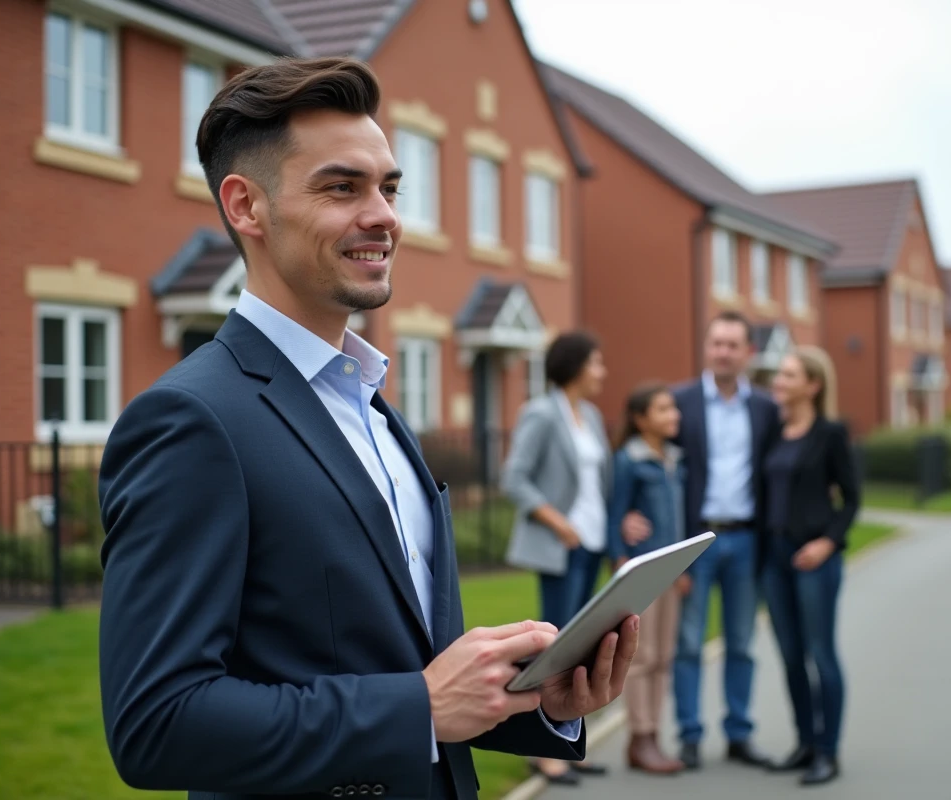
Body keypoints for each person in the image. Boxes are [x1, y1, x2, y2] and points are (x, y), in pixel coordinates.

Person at [96, 56, 638, 800]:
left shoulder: (374, 406)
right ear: (246, 207)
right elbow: (155, 723)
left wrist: (537, 701)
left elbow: (411, 668)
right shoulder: (190, 421)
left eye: (388, 187)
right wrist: (418, 707)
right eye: (342, 187)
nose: (384, 214)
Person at [660, 310, 779, 770]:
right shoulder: (680, 402)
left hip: (747, 540)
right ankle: (690, 734)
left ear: (748, 352)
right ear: (706, 348)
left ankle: (739, 734)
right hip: (696, 542)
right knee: (688, 643)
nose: (723, 352)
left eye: (733, 345)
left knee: (743, 643)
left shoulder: (765, 409)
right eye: (716, 343)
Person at [501, 331, 613, 785]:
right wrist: (556, 521)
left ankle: (569, 745)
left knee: (580, 648)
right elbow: (514, 478)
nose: (602, 372)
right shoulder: (541, 414)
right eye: (597, 363)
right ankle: (543, 752)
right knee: (554, 648)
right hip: (561, 545)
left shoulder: (590, 414)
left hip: (592, 543)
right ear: (576, 366)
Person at [761, 346, 858, 786]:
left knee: (821, 653)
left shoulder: (831, 434)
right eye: (780, 374)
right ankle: (804, 743)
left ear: (812, 385)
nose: (779, 381)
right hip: (775, 559)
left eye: (788, 375)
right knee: (790, 657)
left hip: (815, 560)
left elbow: (852, 498)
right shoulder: (775, 432)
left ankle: (828, 751)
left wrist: (827, 543)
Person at [605, 382, 689, 775]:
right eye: (662, 409)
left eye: (673, 408)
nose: (673, 415)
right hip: (642, 572)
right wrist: (621, 566)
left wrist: (683, 570)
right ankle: (639, 738)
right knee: (643, 657)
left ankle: (653, 735)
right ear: (641, 419)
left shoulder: (673, 458)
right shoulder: (629, 460)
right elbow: (616, 515)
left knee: (664, 658)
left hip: (671, 573)